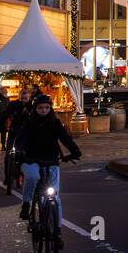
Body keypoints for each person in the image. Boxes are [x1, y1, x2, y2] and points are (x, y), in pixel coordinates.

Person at [12, 94, 81, 233]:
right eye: (40, 108)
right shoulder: (29, 123)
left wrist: (75, 151)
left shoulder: (55, 123)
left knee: (55, 196)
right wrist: (18, 151)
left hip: (51, 161)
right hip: (31, 159)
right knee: (32, 177)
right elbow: (20, 139)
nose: (44, 110)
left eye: (47, 108)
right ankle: (26, 202)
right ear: (35, 108)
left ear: (50, 108)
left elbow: (65, 138)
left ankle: (58, 230)